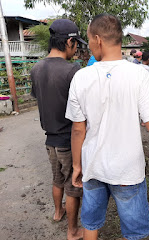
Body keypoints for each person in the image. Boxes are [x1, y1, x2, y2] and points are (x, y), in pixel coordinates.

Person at [65, 13, 149, 240]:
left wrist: (77, 166)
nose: (89, 45)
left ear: (98, 39)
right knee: (133, 233)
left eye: (89, 40)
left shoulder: (80, 78)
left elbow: (78, 129)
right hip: (127, 170)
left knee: (91, 225)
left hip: (93, 166)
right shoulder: (139, 75)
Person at [30, 19, 86, 240]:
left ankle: (57, 212)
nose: (76, 49)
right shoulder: (73, 71)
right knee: (73, 184)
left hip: (49, 140)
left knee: (56, 178)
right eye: (76, 44)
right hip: (68, 139)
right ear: (69, 41)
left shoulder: (36, 68)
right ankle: (72, 231)